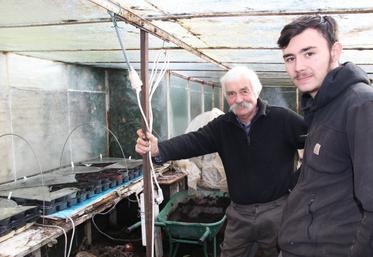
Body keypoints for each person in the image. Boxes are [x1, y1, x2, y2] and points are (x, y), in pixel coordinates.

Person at [135, 66, 307, 257]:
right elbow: (193, 141)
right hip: (239, 213)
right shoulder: (223, 126)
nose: (239, 99)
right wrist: (159, 148)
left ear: (257, 91)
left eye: (244, 91)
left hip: (277, 210)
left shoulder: (282, 119)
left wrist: (298, 183)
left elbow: (317, 141)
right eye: (231, 94)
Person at [277, 15, 373, 257]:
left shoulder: (361, 104)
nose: (298, 67)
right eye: (290, 58)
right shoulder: (321, 106)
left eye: (309, 53)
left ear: (335, 51)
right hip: (300, 241)